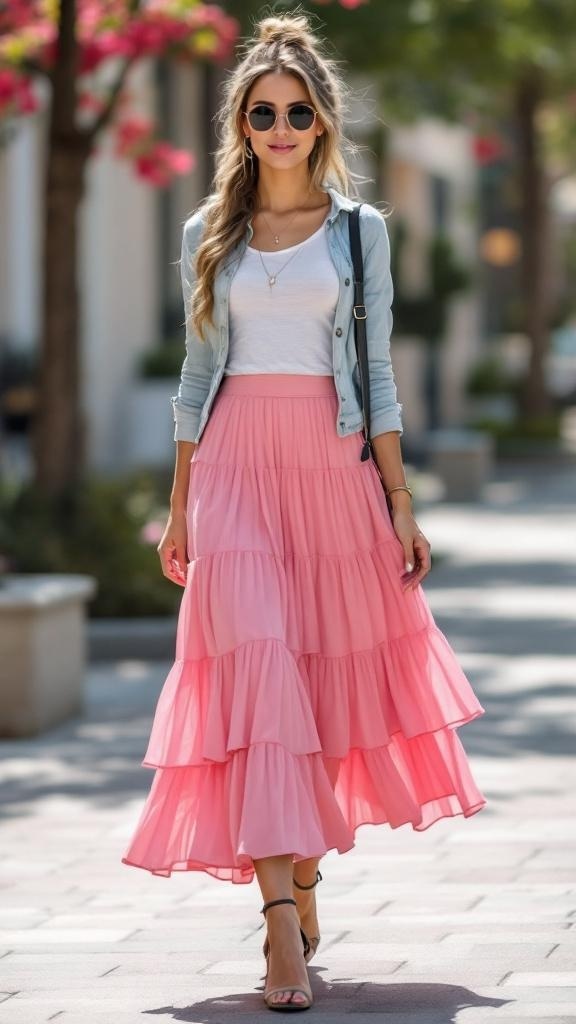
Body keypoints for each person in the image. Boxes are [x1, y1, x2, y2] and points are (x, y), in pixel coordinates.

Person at [122, 11, 487, 1012]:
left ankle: (307, 876)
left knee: (314, 691)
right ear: (241, 124)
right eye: (260, 111)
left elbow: (373, 375)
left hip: (329, 473)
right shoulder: (210, 232)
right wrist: (181, 503)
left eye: (296, 111)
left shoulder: (359, 235)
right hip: (236, 465)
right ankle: (280, 926)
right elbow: (197, 376)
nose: (278, 126)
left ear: (323, 122)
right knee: (260, 672)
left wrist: (400, 499)